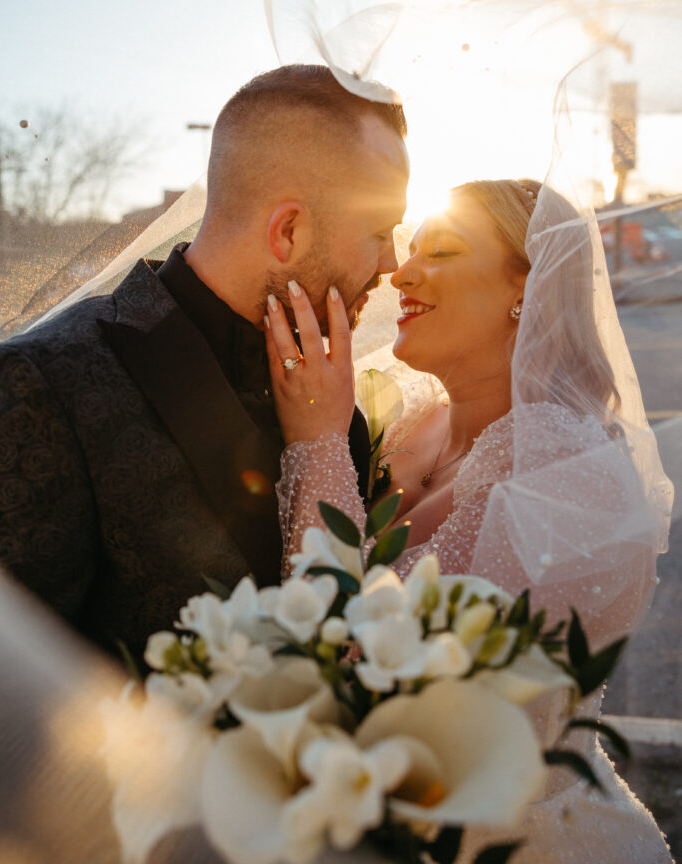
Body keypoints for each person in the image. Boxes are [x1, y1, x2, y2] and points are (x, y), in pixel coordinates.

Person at [266, 177, 673, 864]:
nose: (403, 273)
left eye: (443, 251)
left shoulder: (570, 476)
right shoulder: (408, 422)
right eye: (408, 248)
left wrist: (317, 442)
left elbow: (387, 697)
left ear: (528, 288)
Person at [0, 64, 410, 660]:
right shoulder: (41, 385)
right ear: (287, 231)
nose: (394, 261)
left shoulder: (333, 405)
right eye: (380, 230)